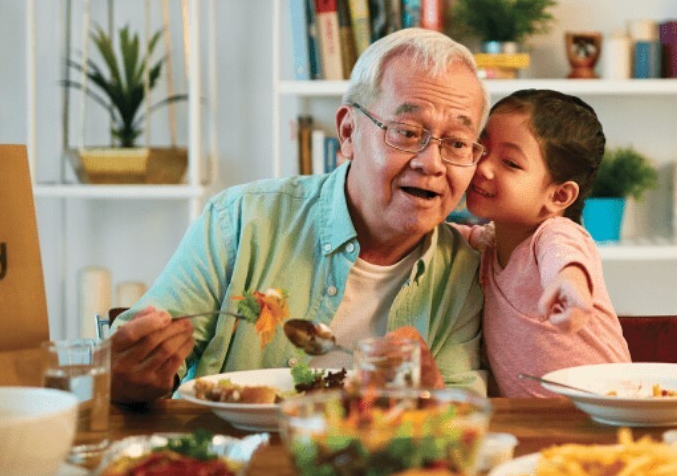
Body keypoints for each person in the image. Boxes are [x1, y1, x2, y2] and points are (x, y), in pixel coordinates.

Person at [110, 28, 491, 404]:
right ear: (347, 132)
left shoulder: (463, 272)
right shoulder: (241, 221)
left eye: (457, 143)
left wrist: (433, 392)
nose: (431, 163)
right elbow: (131, 371)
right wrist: (128, 373)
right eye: (407, 132)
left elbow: (464, 417)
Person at [454, 89, 630, 397]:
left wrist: (568, 285)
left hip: (605, 418)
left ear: (559, 196)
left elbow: (564, 258)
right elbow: (435, 234)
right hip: (538, 422)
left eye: (510, 162)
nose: (483, 167)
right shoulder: (486, 245)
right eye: (482, 148)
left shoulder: (555, 233)